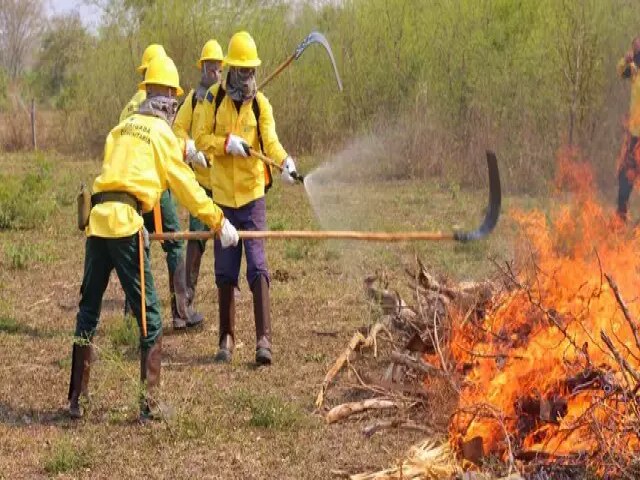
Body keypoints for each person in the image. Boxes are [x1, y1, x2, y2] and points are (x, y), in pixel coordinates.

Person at [68, 55, 239, 420]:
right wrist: (218, 220)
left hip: (98, 223)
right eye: (172, 98)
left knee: (87, 311)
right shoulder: (161, 133)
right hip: (125, 226)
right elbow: (186, 186)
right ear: (165, 96)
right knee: (151, 317)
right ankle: (150, 405)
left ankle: (75, 401)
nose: (174, 105)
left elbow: (119, 174)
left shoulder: (123, 126)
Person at [193, 31, 299, 366]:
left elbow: (271, 141)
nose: (249, 77)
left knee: (257, 265)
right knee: (225, 269)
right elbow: (199, 139)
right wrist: (226, 144)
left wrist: (285, 163)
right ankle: (226, 338)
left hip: (252, 198)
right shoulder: (212, 99)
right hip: (222, 198)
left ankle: (263, 340)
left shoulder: (261, 104)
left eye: (253, 70)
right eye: (244, 70)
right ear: (231, 70)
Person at [121, 44, 204, 329]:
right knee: (174, 243)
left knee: (133, 244)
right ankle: (181, 313)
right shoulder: (157, 108)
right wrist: (187, 150)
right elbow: (164, 147)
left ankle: (133, 311)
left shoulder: (130, 106)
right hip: (155, 188)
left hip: (126, 191)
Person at [173, 39, 224, 317]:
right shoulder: (193, 99)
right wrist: (191, 148)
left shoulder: (227, 98)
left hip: (227, 183)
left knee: (226, 237)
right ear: (202, 68)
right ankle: (187, 297)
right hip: (200, 184)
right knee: (196, 239)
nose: (213, 72)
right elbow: (178, 129)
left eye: (217, 68)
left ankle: (227, 289)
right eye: (209, 67)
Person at [616, 36, 640, 222]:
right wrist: (627, 59)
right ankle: (620, 216)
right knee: (625, 175)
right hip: (634, 134)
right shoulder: (634, 70)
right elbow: (621, 71)